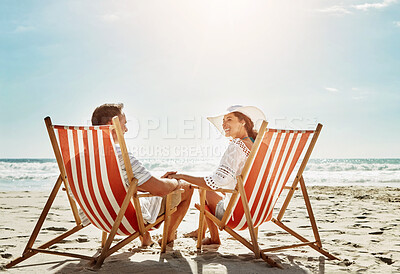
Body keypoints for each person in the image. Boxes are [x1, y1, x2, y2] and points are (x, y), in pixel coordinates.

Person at [91, 103, 193, 246]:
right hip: (124, 219)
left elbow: (122, 186)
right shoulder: (120, 156)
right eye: (124, 124)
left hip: (98, 217)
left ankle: (146, 238)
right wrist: (176, 182)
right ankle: (167, 239)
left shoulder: (81, 158)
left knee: (133, 192)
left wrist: (157, 181)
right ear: (111, 124)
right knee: (187, 187)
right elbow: (160, 190)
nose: (126, 129)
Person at [164, 105, 265, 245]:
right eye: (223, 120)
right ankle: (200, 230)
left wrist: (181, 176)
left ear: (243, 122)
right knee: (214, 193)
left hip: (239, 215)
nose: (224, 124)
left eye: (229, 119)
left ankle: (213, 238)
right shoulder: (261, 147)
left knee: (204, 190)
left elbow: (216, 181)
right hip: (259, 211)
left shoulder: (237, 145)